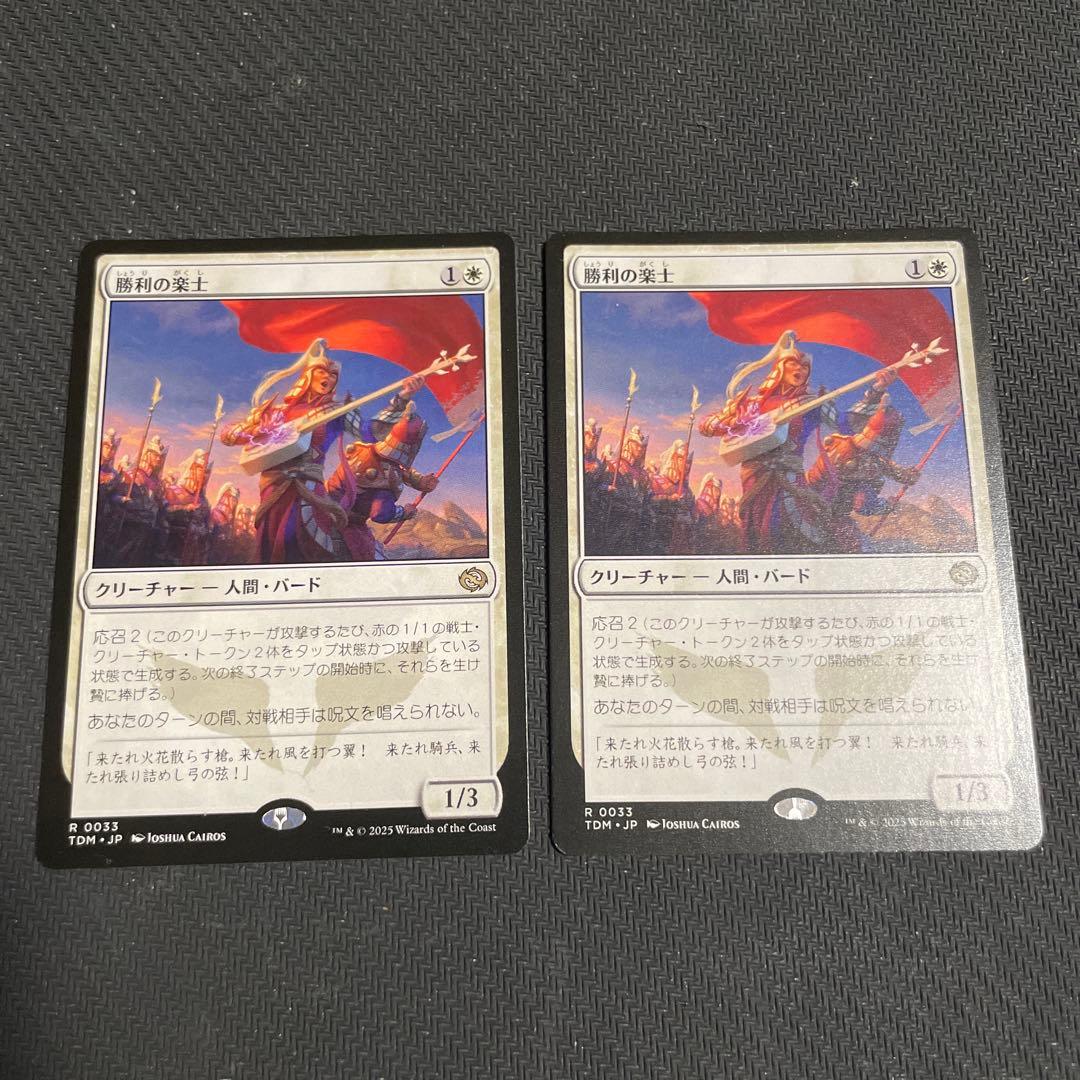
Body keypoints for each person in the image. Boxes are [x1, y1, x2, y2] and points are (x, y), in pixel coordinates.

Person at [220, 338, 424, 563]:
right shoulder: (278, 411)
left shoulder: (335, 411)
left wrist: (402, 398)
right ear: (308, 375)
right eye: (322, 371)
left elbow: (370, 432)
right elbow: (229, 435)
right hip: (273, 486)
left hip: (308, 488)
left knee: (307, 540)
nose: (328, 377)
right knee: (271, 543)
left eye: (334, 374)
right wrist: (260, 429)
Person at [806, 396, 920, 552]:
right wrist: (887, 505)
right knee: (857, 548)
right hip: (823, 515)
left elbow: (881, 464)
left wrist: (906, 475)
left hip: (820, 508)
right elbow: (862, 504)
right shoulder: (850, 458)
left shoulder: (857, 450)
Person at [329, 403, 439, 561]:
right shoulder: (386, 481)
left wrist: (420, 481)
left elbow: (395, 467)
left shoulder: (366, 448)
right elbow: (380, 514)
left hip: (322, 506)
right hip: (344, 526)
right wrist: (404, 512)